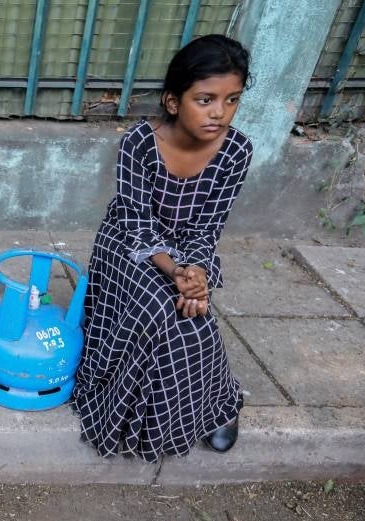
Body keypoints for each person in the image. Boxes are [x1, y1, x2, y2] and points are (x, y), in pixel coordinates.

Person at [72, 35, 253, 462]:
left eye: (232, 100)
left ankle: (219, 405)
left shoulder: (237, 151)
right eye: (205, 99)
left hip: (187, 251)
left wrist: (197, 275)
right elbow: (136, 221)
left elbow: (209, 227)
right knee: (163, 308)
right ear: (174, 102)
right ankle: (200, 408)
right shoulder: (140, 142)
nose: (219, 113)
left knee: (196, 314)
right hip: (128, 245)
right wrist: (175, 275)